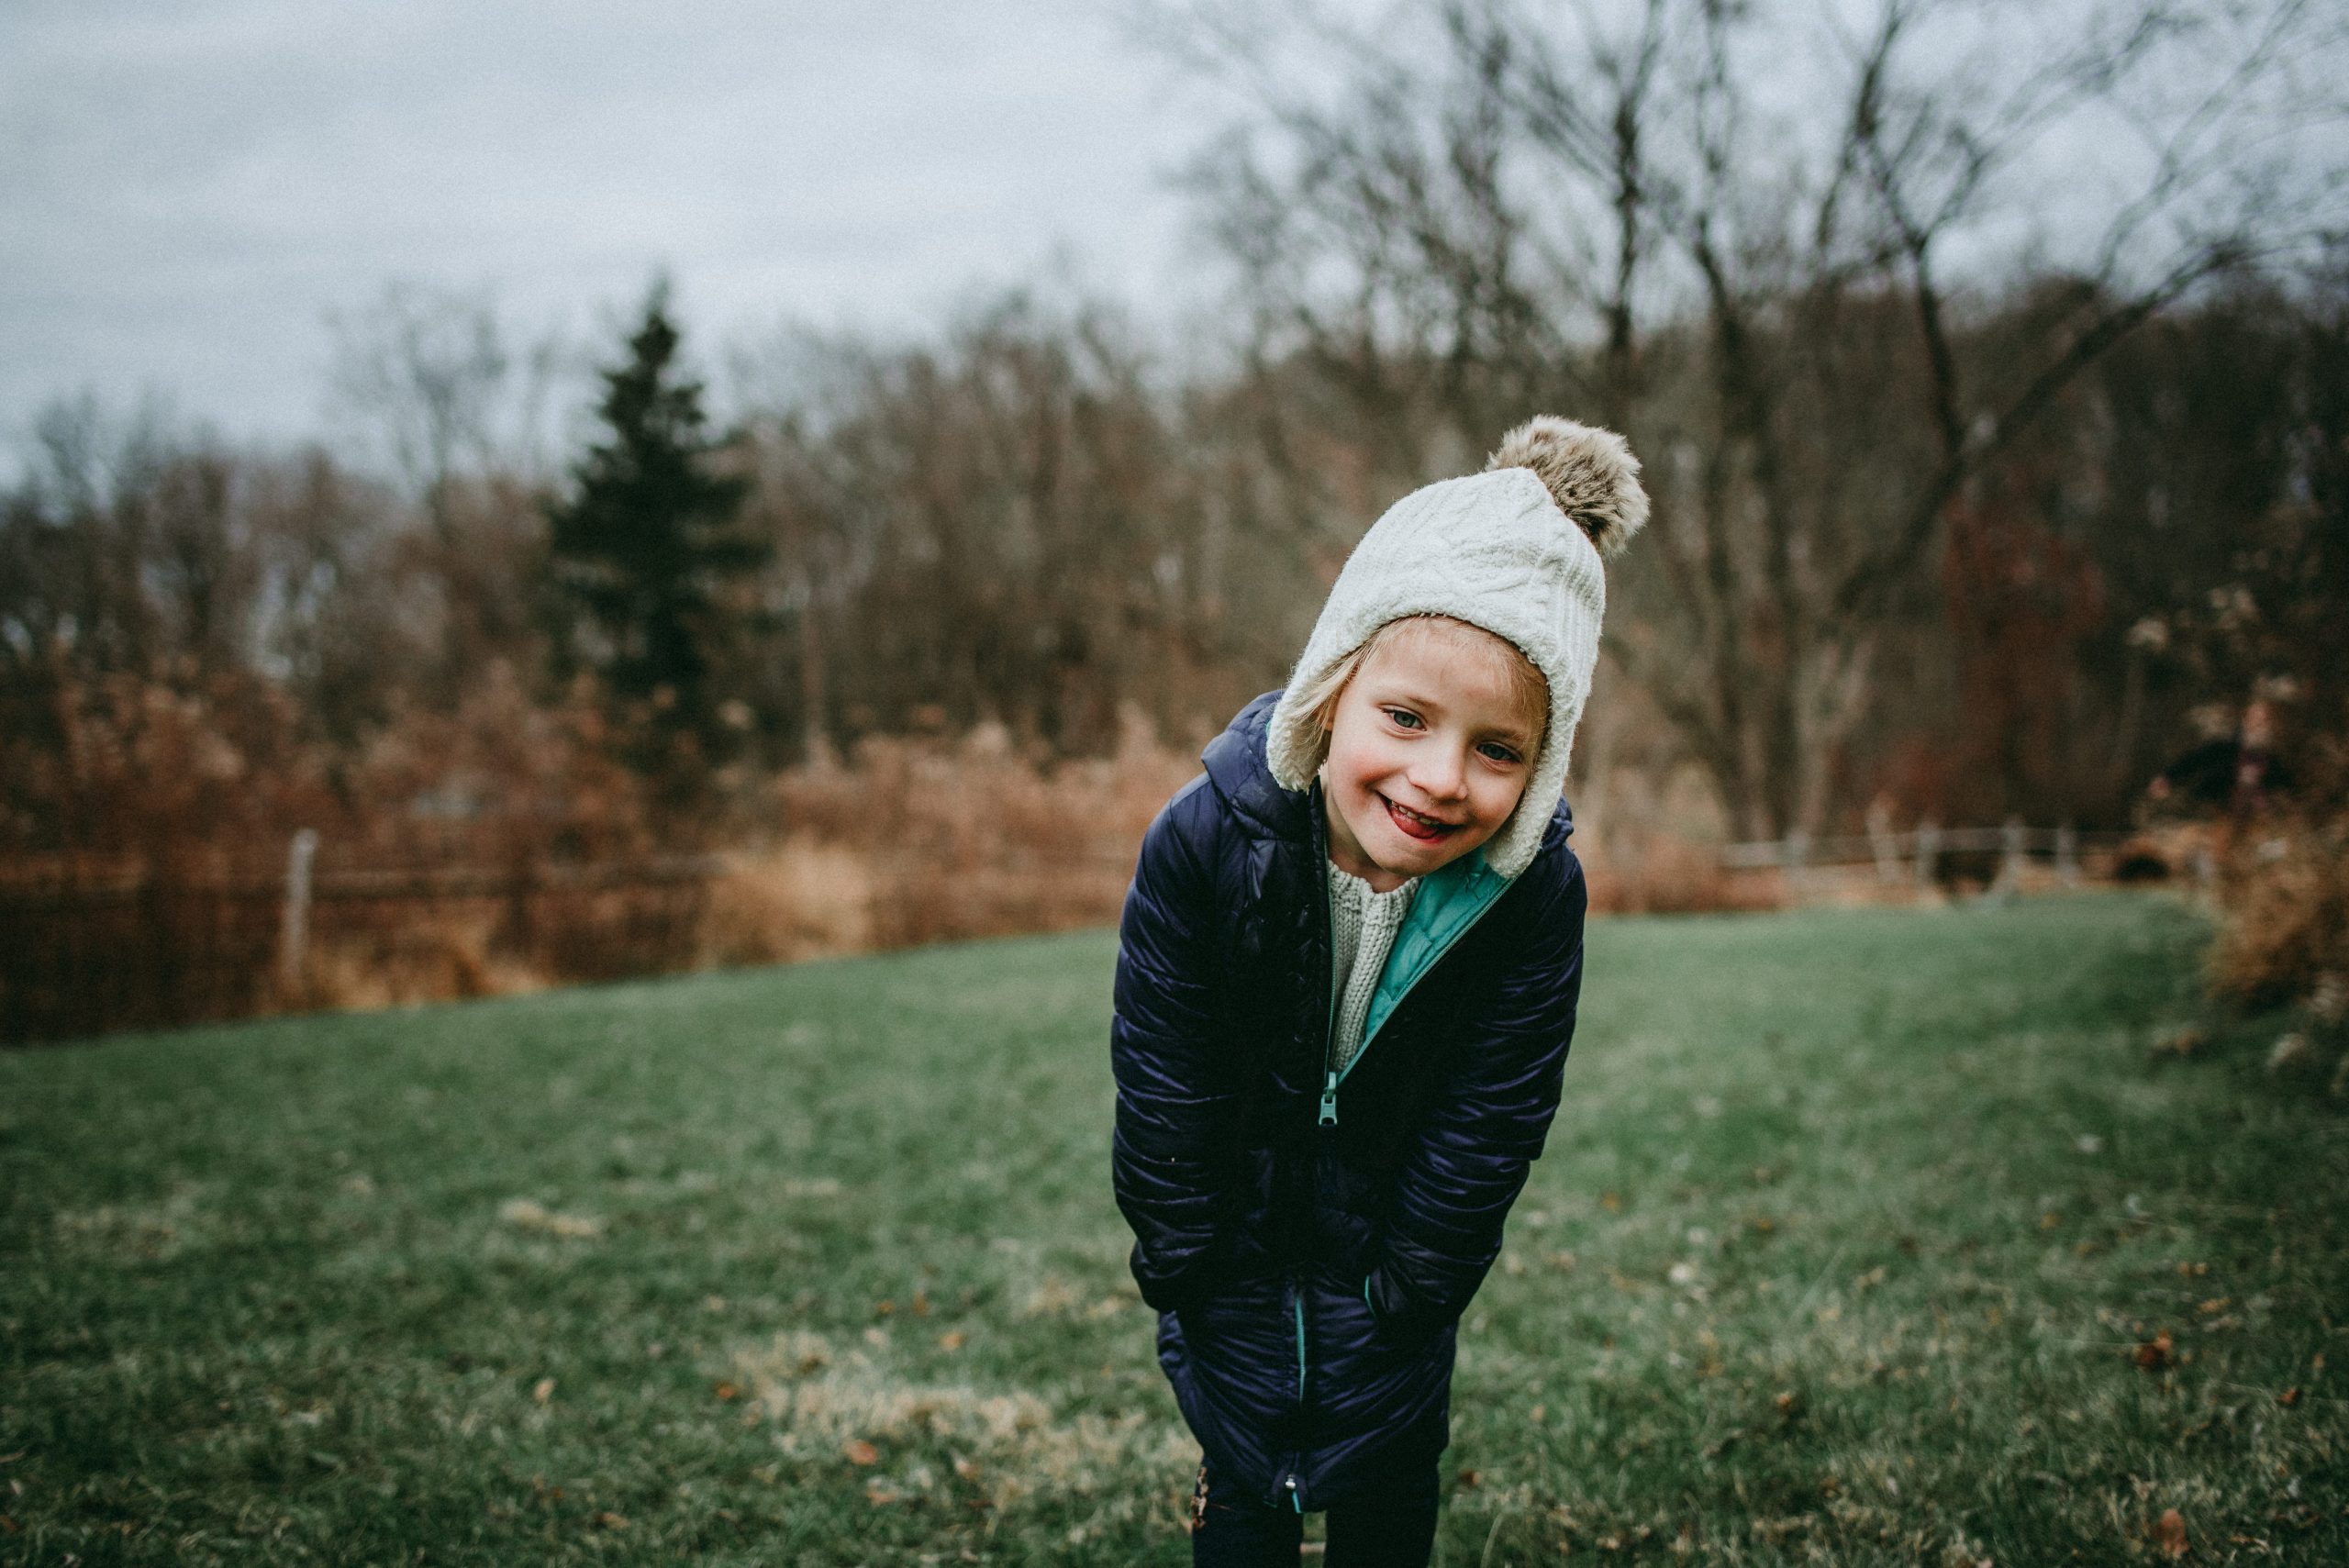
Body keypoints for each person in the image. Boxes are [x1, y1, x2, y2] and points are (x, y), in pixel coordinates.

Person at [1110, 417, 1647, 1566]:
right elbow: (1164, 1070)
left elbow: (1495, 1111)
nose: (1439, 777)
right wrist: (1183, 1257)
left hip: (1397, 1274)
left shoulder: (1530, 898)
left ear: (1543, 765)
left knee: (1389, 1498)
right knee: (1247, 1495)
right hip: (1230, 1260)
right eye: (1404, 718)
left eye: (1497, 749)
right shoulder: (1205, 841)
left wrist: (1416, 1285)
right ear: (1330, 694)